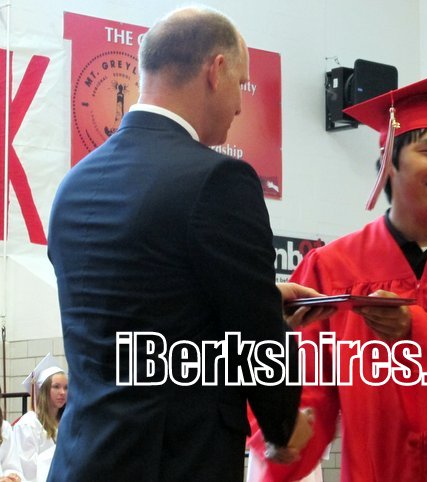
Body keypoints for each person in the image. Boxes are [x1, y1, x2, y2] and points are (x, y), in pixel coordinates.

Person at [47, 6, 317, 481]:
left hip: (80, 459)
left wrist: (266, 297)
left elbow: (139, 311)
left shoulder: (74, 185)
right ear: (216, 70)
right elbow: (254, 337)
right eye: (241, 84)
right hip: (174, 461)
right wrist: (282, 425)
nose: (239, 107)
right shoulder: (220, 180)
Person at [249, 73, 427, 481]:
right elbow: (308, 381)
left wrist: (414, 331)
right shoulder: (331, 268)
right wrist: (283, 431)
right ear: (389, 161)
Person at [13, 354, 66, 482]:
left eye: (66, 387)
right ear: (43, 390)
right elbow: (28, 472)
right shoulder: (28, 424)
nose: (62, 392)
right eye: (56, 386)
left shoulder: (66, 422)